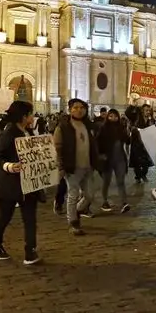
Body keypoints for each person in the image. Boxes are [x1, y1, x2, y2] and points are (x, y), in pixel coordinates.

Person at [0, 100, 42, 265]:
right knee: (5, 216)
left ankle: (30, 251)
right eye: (30, 114)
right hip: (9, 183)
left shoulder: (28, 132)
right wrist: (9, 166)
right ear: (24, 116)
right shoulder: (9, 132)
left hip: (29, 183)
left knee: (30, 218)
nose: (33, 117)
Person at [54, 99, 100, 235]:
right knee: (73, 195)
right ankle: (73, 222)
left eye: (82, 107)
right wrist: (61, 167)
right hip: (72, 166)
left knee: (89, 195)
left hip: (88, 166)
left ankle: (77, 211)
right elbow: (57, 148)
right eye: (75, 107)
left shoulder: (88, 125)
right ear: (70, 109)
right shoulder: (63, 127)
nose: (79, 110)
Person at [96, 109, 132, 214]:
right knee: (106, 181)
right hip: (107, 159)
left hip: (120, 159)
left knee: (121, 181)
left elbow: (127, 141)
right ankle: (104, 201)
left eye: (115, 116)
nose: (113, 118)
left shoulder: (121, 128)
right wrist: (100, 155)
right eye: (111, 116)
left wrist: (129, 133)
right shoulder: (103, 128)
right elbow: (98, 142)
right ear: (107, 117)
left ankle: (124, 203)